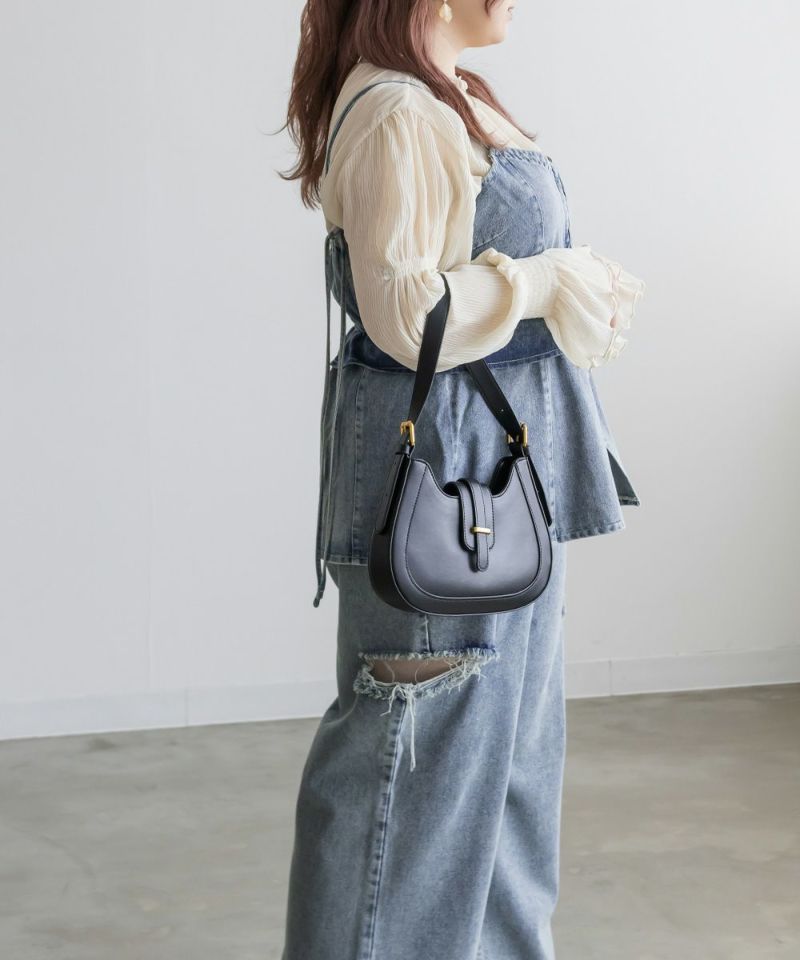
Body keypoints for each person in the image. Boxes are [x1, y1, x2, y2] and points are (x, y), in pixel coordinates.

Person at [278, 2, 646, 958]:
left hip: (504, 470)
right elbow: (403, 311)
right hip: (446, 475)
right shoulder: (398, 110)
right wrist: (542, 282)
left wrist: (570, 289)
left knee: (508, 775)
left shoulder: (451, 96)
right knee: (415, 778)